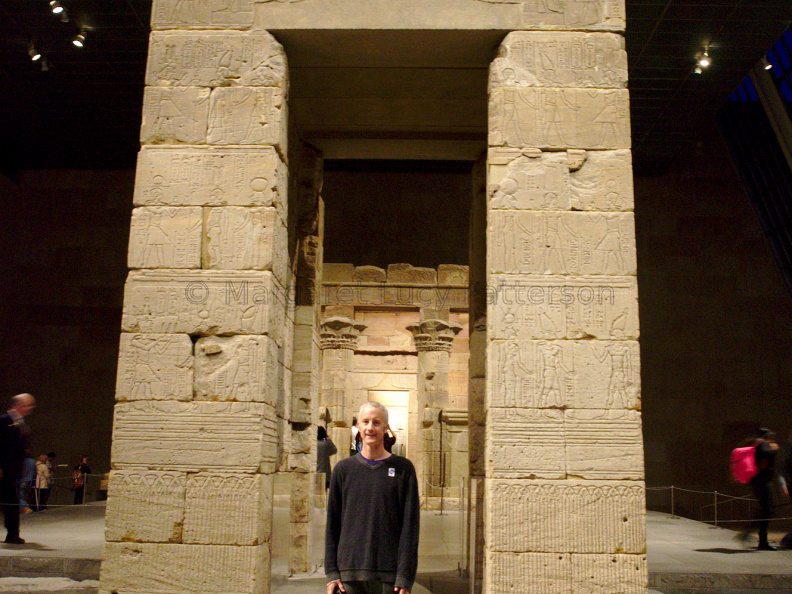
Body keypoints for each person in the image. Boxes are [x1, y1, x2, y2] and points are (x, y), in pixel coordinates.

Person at [325, 402, 419, 594]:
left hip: (389, 575)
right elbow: (332, 524)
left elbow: (410, 527)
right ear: (358, 426)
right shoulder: (343, 470)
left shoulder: (404, 469)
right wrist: (332, 572)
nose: (370, 428)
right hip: (349, 573)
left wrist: (405, 576)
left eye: (376, 423)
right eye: (365, 422)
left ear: (385, 428)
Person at [738, 428, 788, 550]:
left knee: (767, 509)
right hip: (762, 482)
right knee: (768, 509)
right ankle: (756, 538)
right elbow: (766, 453)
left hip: (759, 482)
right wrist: (774, 449)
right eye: (771, 437)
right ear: (766, 436)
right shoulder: (762, 443)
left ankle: (754, 535)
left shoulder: (756, 443)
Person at [0, 393, 36, 544]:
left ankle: (13, 533)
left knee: (11, 501)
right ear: (19, 405)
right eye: (28, 405)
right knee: (10, 500)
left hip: (13, 471)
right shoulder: (3, 420)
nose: (30, 408)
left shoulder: (20, 422)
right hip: (3, 469)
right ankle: (12, 533)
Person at [317, 426, 338, 490]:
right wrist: (328, 440)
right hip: (324, 472)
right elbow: (334, 450)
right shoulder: (326, 444)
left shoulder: (313, 444)